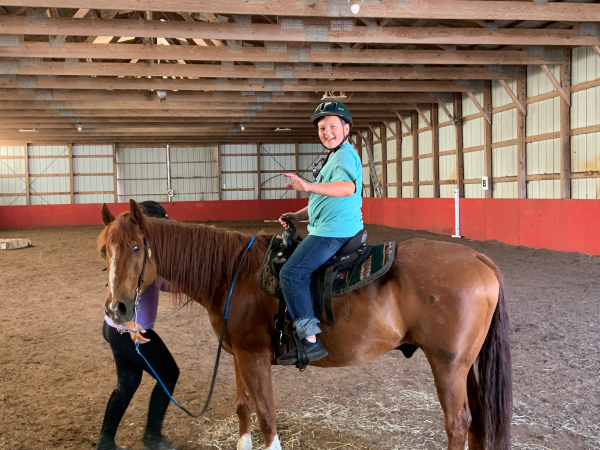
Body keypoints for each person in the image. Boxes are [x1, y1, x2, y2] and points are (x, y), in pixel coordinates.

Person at [277, 101, 363, 366]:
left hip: (334, 231)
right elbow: (324, 199)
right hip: (328, 226)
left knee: (291, 273)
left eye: (333, 126)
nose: (327, 132)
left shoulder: (345, 155)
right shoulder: (334, 157)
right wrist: (299, 216)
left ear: (346, 128)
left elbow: (347, 188)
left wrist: (308, 185)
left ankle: (309, 339)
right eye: (322, 128)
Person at [95, 201, 179, 450]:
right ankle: (152, 437)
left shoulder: (147, 255)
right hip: (130, 332)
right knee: (169, 374)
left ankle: (105, 442)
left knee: (128, 383)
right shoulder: (132, 253)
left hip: (114, 329)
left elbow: (161, 283)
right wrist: (131, 325)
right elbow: (116, 290)